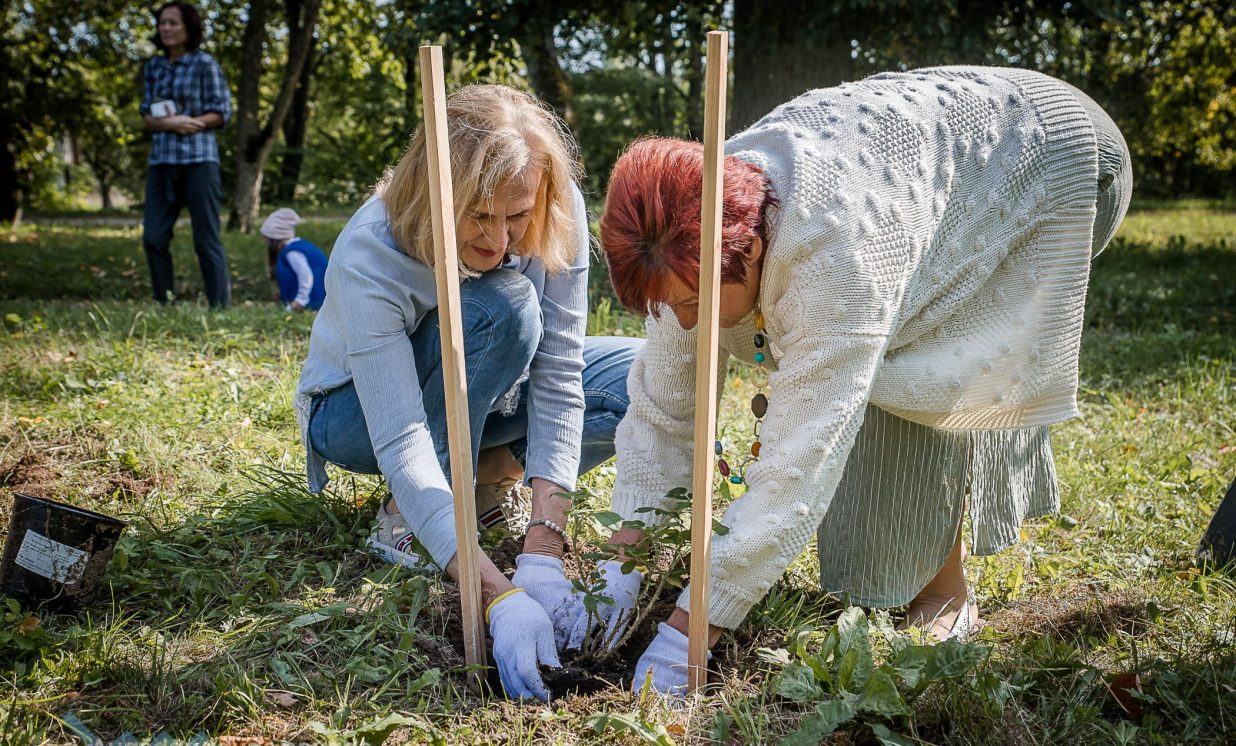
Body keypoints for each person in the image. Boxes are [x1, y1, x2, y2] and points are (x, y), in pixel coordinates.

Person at [590, 66, 1132, 696]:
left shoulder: (835, 259)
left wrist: (690, 632)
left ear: (752, 251)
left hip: (1060, 157)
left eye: (694, 305)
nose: (684, 323)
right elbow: (661, 418)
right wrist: (615, 575)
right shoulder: (678, 233)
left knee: (910, 365)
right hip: (917, 166)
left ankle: (943, 590)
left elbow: (799, 463)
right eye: (668, 306)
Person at [295, 85, 640, 701]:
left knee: (640, 378)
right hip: (354, 415)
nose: (501, 240)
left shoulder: (553, 205)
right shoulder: (370, 252)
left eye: (516, 216)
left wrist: (544, 546)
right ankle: (411, 513)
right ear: (434, 195)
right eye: (479, 215)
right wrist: (496, 595)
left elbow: (560, 374)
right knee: (502, 306)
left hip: (491, 387)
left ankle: (482, 477)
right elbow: (402, 437)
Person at [139, 1, 233, 309]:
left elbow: (222, 111)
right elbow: (146, 114)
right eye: (162, 23)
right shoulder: (153, 67)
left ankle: (219, 305)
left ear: (188, 28)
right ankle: (164, 302)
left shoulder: (205, 63)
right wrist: (170, 124)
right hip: (161, 161)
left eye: (173, 23)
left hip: (199, 161)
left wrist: (189, 123)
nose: (166, 28)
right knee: (153, 236)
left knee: (205, 238)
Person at [260, 208, 328, 311]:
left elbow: (305, 276)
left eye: (267, 241)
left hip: (314, 301)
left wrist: (301, 300)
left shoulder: (292, 252)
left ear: (274, 239)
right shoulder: (299, 245)